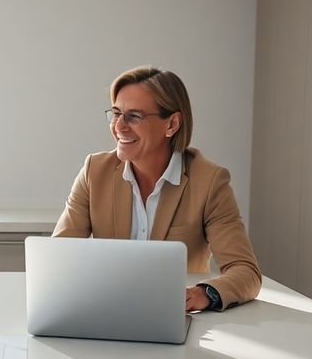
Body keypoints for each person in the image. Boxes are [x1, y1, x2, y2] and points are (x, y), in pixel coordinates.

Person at [53, 66, 261, 311]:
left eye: (134, 116)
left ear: (172, 124)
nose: (119, 126)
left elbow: (246, 271)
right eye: (117, 113)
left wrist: (203, 293)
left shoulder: (209, 182)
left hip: (172, 314)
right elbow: (57, 258)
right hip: (106, 310)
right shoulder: (94, 171)